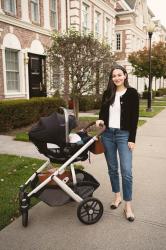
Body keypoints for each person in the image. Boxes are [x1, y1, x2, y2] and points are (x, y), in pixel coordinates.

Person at [96, 65, 139, 222]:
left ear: (125, 75)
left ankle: (128, 205)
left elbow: (135, 118)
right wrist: (100, 119)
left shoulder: (133, 93)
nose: (117, 78)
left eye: (120, 75)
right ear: (111, 78)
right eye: (114, 76)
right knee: (113, 169)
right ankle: (117, 196)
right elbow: (102, 111)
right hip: (107, 134)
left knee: (126, 171)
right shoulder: (108, 93)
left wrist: (132, 139)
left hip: (124, 135)